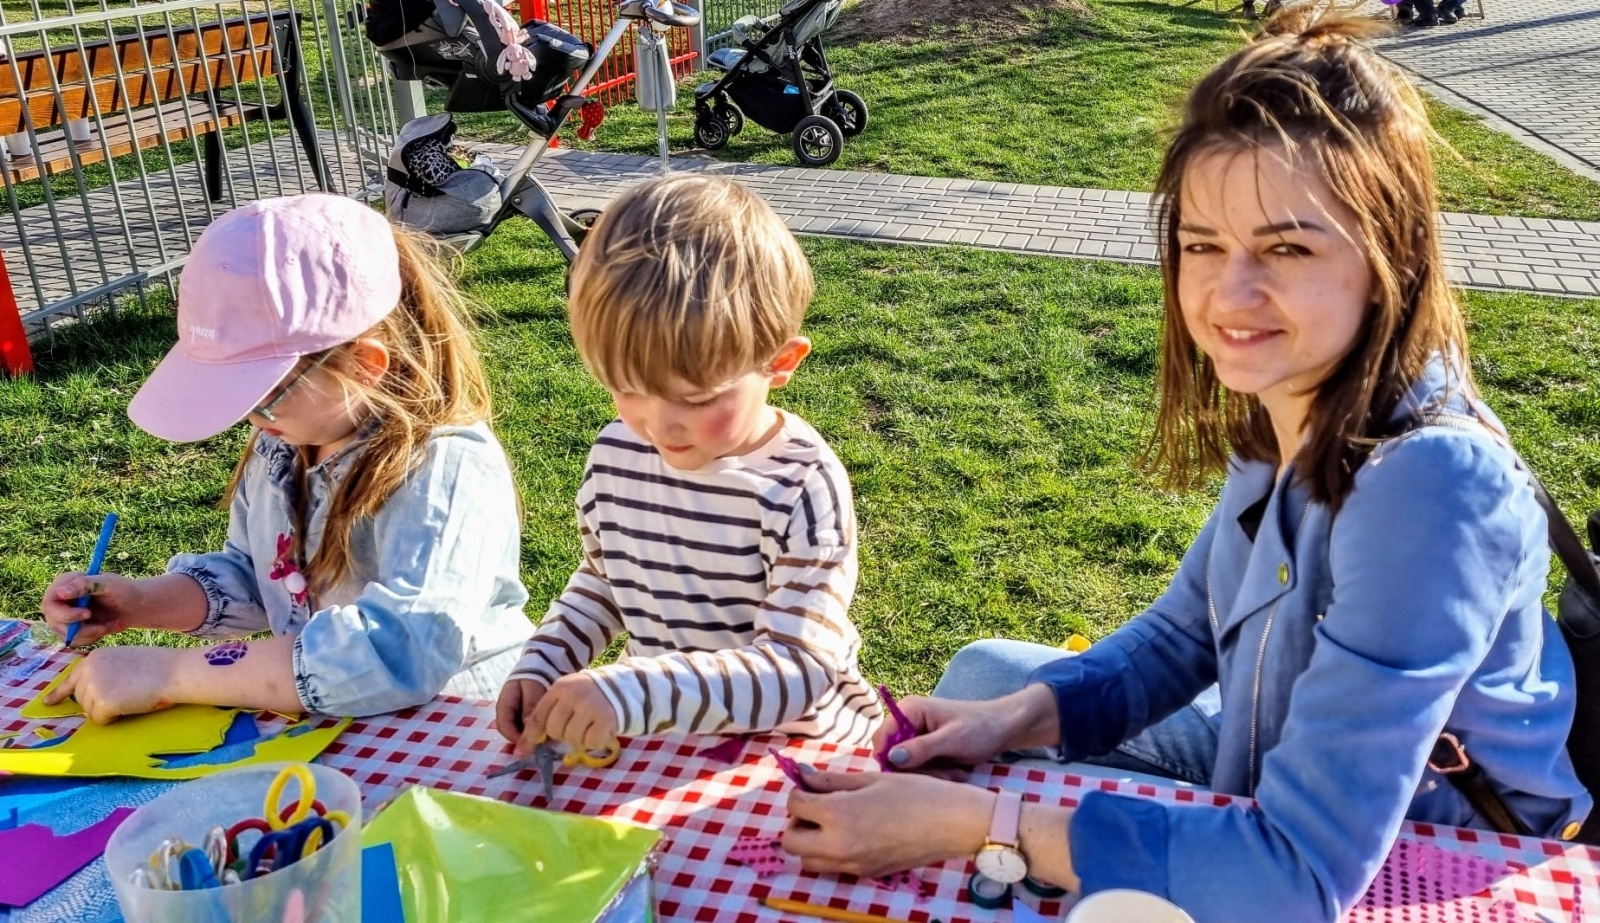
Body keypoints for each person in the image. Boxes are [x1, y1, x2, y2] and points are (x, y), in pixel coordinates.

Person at [779, 10, 1591, 922]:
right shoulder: (1291, 388)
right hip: (1259, 757)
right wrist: (1009, 721)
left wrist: (979, 826)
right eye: (1203, 243)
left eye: (1287, 247)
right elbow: (1184, 635)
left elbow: (1296, 877)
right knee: (984, 678)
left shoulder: (1433, 486)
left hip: (1418, 856)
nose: (1228, 294)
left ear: (1389, 254)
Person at [39, 194, 531, 722]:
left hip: (457, 729)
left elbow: (400, 649)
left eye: (264, 394)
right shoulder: (285, 440)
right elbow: (262, 579)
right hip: (334, 725)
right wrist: (139, 601)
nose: (251, 419)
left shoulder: (443, 466)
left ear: (364, 366)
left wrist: (173, 674)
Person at [495, 174, 882, 759]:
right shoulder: (617, 455)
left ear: (780, 363)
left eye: (697, 399)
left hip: (795, 755)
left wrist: (634, 691)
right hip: (666, 740)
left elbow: (800, 667)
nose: (660, 426)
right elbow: (606, 580)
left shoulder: (800, 485)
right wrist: (545, 663)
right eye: (627, 389)